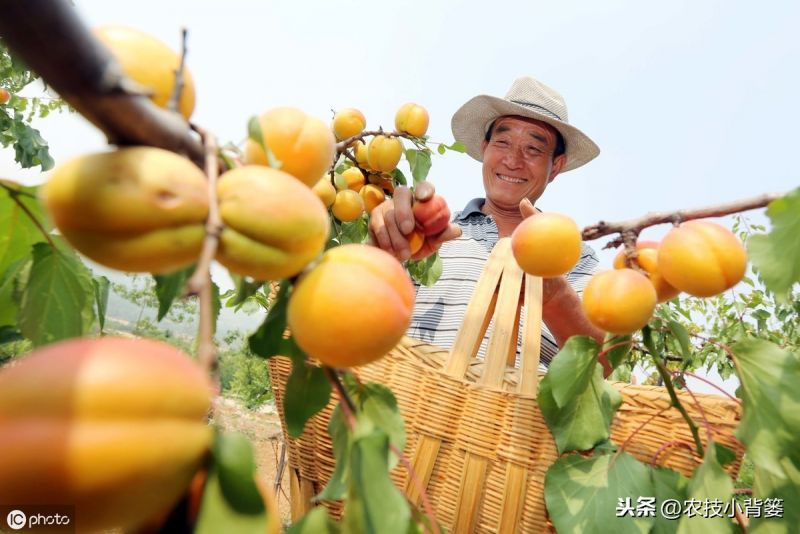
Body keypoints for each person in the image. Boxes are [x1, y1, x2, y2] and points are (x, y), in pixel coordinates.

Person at [369, 76, 610, 373]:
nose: (513, 160)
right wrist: (381, 252)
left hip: (508, 418)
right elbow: (365, 321)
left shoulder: (575, 258)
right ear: (485, 148)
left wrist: (552, 292)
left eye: (533, 149)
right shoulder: (434, 233)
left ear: (555, 167)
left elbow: (602, 361)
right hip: (419, 407)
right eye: (503, 142)